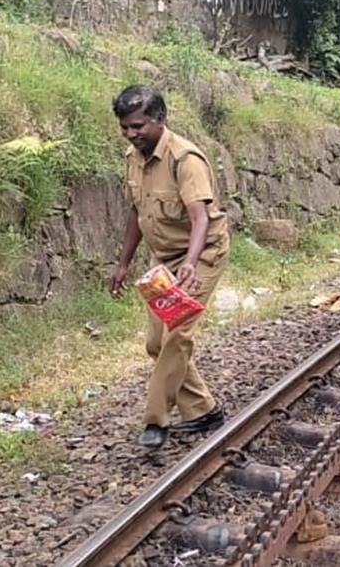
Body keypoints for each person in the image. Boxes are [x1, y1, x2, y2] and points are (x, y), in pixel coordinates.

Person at [108, 85, 230, 448]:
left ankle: (155, 421)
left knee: (176, 334)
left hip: (201, 255)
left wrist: (191, 264)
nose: (131, 134)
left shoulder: (185, 159)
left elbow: (200, 218)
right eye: (125, 127)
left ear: (160, 120)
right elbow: (137, 212)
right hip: (163, 261)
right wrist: (124, 263)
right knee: (155, 343)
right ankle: (204, 411)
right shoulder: (133, 157)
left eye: (138, 126)